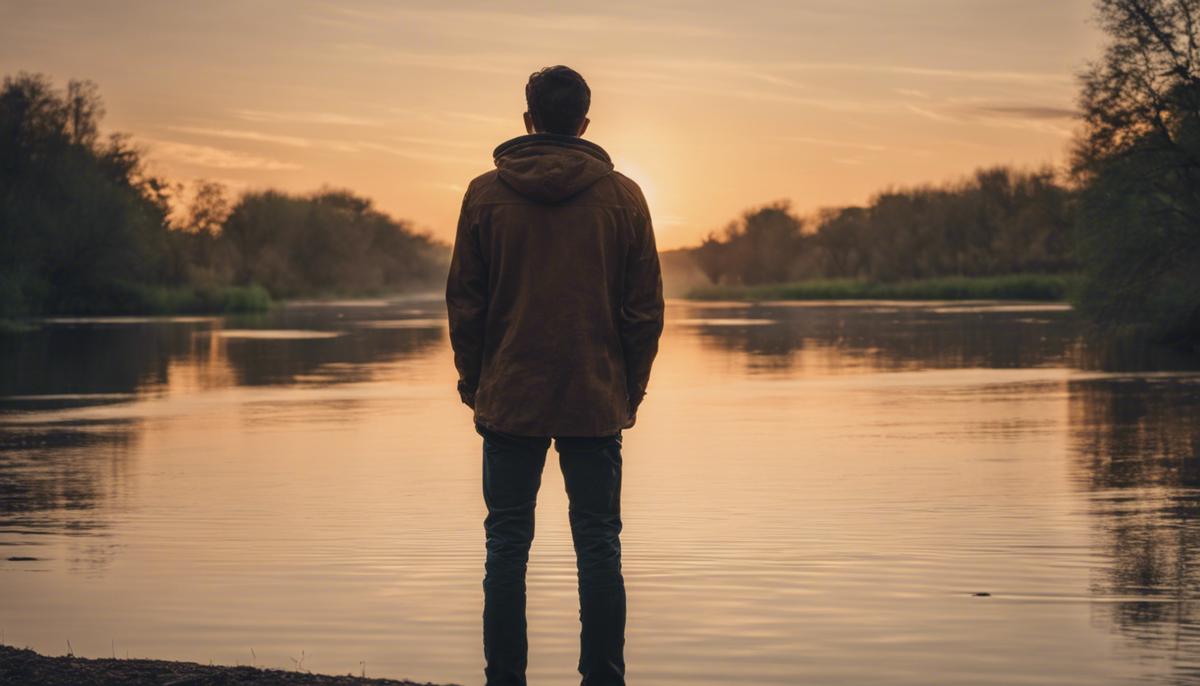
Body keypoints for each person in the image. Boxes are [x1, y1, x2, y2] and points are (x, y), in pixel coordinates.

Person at [445, 65, 665, 686]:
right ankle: (604, 679)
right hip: (595, 397)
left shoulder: (485, 193)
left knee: (505, 546)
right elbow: (644, 309)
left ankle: (504, 681)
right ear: (584, 122)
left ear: (529, 120)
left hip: (509, 394)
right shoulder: (624, 196)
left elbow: (466, 303)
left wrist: (475, 384)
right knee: (599, 545)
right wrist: (630, 390)